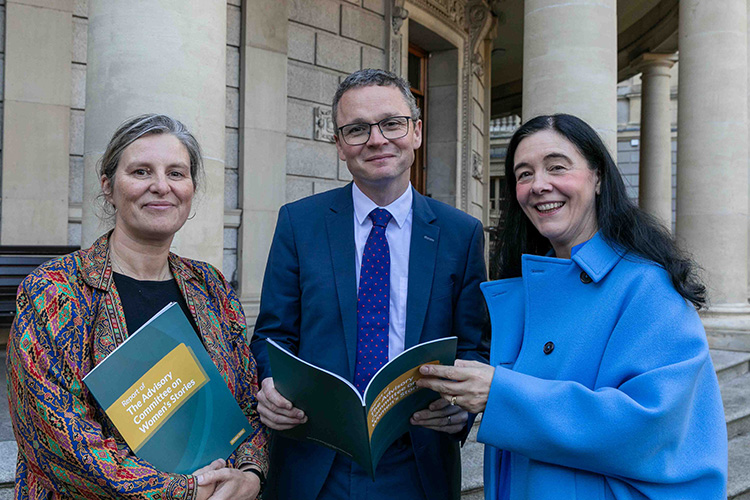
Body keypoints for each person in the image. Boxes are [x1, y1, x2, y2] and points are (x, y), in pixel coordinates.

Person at [417, 113, 728, 499]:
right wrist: (469, 405)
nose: (538, 185)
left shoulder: (648, 286)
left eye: (557, 167)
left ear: (597, 177)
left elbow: (651, 426)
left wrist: (498, 394)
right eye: (524, 174)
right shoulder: (527, 289)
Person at [250, 68, 488, 500]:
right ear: (339, 144)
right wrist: (269, 385)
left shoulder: (461, 233)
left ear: (416, 132)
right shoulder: (299, 223)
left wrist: (461, 411)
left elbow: (473, 345)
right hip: (313, 458)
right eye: (357, 129)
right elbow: (272, 335)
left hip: (417, 461)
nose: (377, 140)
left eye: (391, 123)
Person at [6, 114, 268, 500]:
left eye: (176, 173)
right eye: (141, 171)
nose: (161, 186)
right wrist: (183, 492)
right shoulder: (54, 291)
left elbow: (246, 398)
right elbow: (53, 435)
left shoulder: (211, 286)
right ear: (108, 186)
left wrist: (250, 472)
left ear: (191, 188)